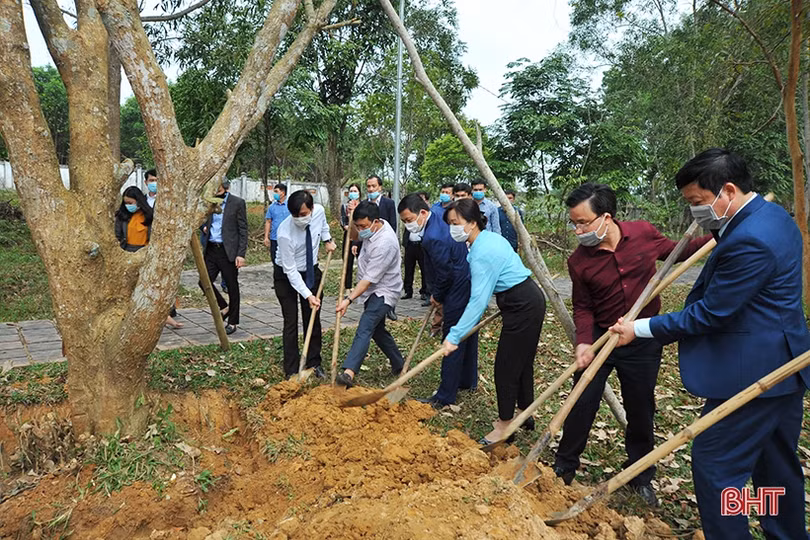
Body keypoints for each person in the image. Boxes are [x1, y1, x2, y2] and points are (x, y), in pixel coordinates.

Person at [609, 149, 810, 539]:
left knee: (717, 464)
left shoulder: (751, 239)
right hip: (785, 363)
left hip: (756, 372)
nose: (694, 212)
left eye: (697, 201)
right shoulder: (772, 217)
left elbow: (712, 313)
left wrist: (641, 328)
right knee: (775, 468)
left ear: (729, 190)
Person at [552, 182, 712, 507]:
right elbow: (583, 306)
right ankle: (563, 468)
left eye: (583, 222)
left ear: (606, 217)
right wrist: (584, 343)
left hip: (641, 337)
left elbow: (679, 251)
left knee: (641, 409)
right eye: (574, 223)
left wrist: (719, 236)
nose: (577, 230)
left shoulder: (643, 233)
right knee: (581, 403)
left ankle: (640, 476)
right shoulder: (579, 261)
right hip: (602, 338)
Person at [441, 199, 545, 444]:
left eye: (456, 223)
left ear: (472, 223)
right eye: (450, 224)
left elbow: (478, 301)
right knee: (522, 363)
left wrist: (454, 335)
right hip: (527, 299)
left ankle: (505, 425)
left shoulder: (482, 252)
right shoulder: (488, 239)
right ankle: (525, 413)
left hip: (522, 305)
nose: (453, 229)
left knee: (506, 367)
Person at [399, 194, 477, 407]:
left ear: (423, 212)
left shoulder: (433, 236)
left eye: (409, 220)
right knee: (468, 332)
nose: (407, 225)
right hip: (468, 280)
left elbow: (445, 272)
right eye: (404, 221)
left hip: (457, 286)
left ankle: (445, 395)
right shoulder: (439, 217)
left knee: (453, 336)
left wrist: (437, 295)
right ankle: (467, 381)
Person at [335, 201, 405, 387]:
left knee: (366, 325)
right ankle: (399, 364)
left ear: (375, 221)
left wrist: (348, 300)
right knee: (377, 331)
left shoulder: (385, 243)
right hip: (371, 289)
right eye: (358, 225)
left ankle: (349, 373)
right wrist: (351, 219)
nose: (361, 230)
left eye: (363, 226)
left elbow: (368, 280)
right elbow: (352, 236)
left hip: (384, 290)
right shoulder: (371, 228)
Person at [274, 190, 336, 379]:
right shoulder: (284, 232)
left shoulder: (319, 212)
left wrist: (327, 240)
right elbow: (290, 271)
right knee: (291, 321)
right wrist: (308, 295)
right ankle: (292, 369)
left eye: (303, 214)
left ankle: (314, 363)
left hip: (311, 270)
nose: (299, 219)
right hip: (286, 276)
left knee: (313, 318)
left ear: (311, 208)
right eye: (295, 215)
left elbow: (323, 226)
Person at [115, 186, 183, 328]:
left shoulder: (149, 216)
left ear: (138, 201)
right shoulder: (122, 216)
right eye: (126, 203)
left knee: (149, 289)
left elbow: (155, 237)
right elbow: (117, 236)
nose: (128, 206)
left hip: (145, 253)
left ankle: (164, 317)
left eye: (131, 203)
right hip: (127, 252)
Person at [198, 179, 247, 335]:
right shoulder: (209, 201)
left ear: (225, 187)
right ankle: (224, 306)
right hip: (211, 249)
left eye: (218, 186)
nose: (216, 189)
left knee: (232, 286)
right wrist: (203, 227)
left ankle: (233, 321)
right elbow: (201, 219)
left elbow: (243, 229)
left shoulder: (237, 203)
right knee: (203, 282)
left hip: (228, 251)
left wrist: (241, 254)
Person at [340, 183, 362, 290]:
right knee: (347, 261)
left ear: (359, 193)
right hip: (348, 235)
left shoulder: (362, 206)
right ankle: (347, 288)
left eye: (355, 191)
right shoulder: (345, 206)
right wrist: (348, 225)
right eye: (351, 191)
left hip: (360, 236)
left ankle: (361, 286)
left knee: (362, 260)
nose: (353, 193)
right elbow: (343, 221)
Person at [263, 183, 290, 267]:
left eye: (276, 191)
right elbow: (268, 222)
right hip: (275, 238)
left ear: (283, 193)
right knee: (275, 260)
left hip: (287, 238)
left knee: (287, 259)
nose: (274, 194)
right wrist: (266, 237)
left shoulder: (290, 206)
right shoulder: (272, 207)